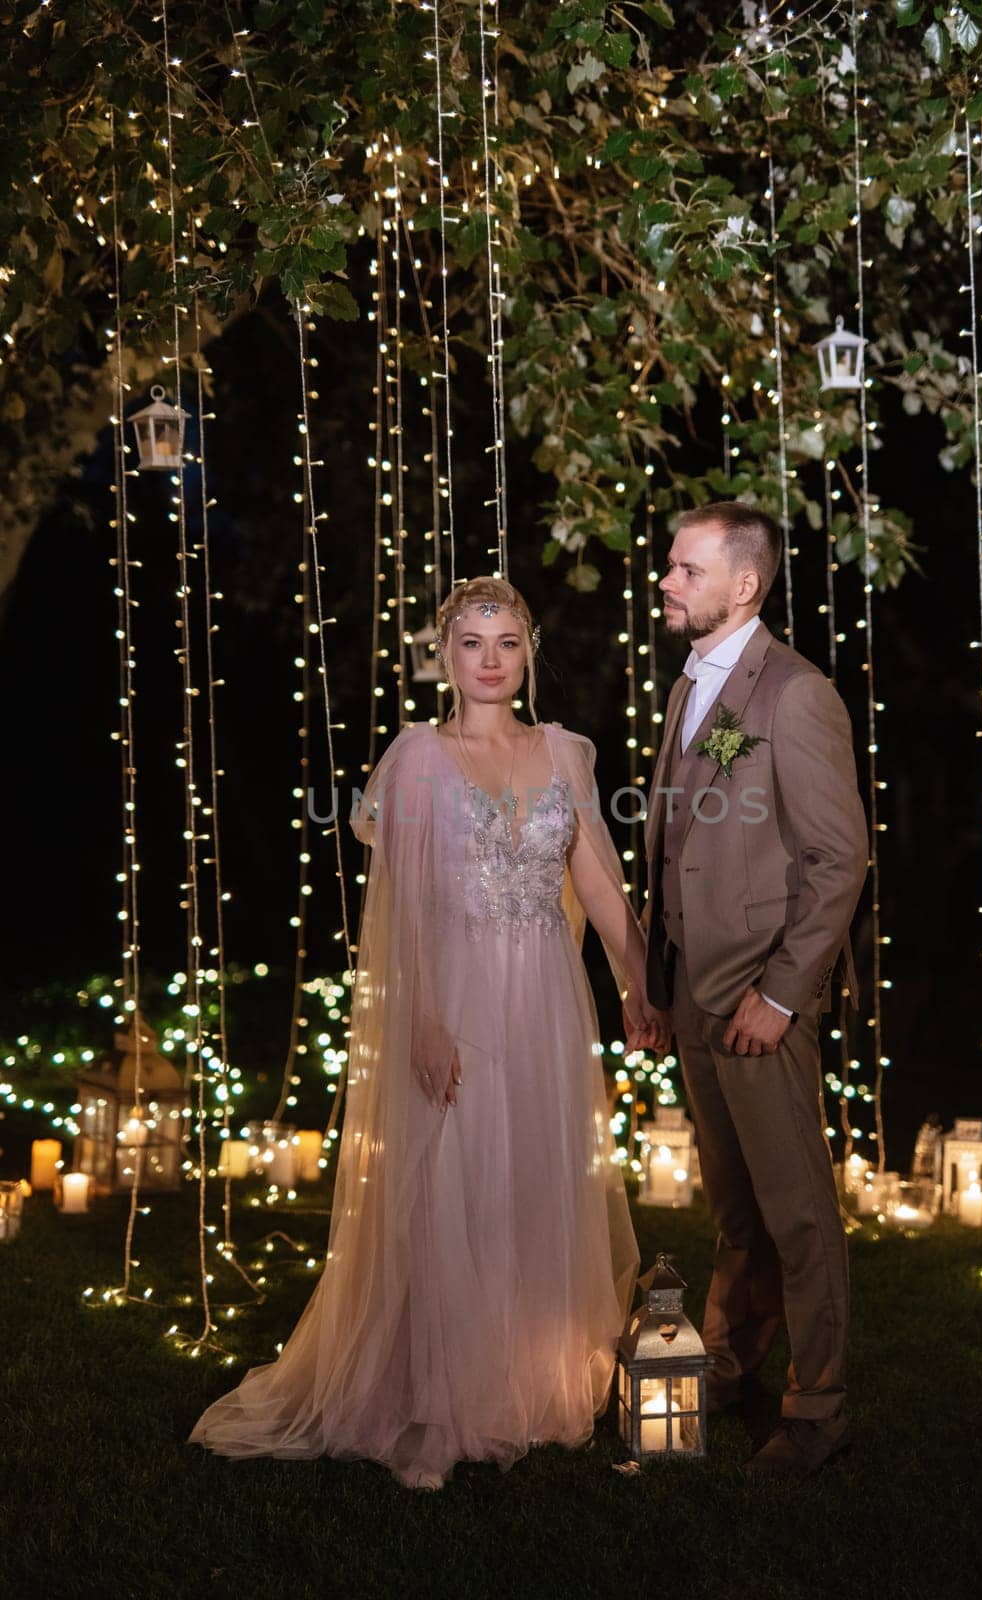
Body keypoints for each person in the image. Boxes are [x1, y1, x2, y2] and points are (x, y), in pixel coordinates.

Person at [189, 576, 666, 1489]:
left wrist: (642, 987)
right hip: (455, 996)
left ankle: (522, 1381)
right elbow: (403, 907)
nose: (490, 662)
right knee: (453, 1187)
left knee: (531, 1178)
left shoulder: (565, 752)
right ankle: (438, 1407)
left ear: (530, 653)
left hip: (545, 1001)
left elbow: (600, 884)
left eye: (508, 644)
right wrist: (425, 1020)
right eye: (472, 644)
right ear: (443, 656)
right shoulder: (417, 759)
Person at [644, 501, 869, 1478]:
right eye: (669, 566)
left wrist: (780, 995)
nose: (666, 580)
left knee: (798, 1211)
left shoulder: (796, 693)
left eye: (686, 569)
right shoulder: (696, 687)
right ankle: (732, 1361)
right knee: (734, 1206)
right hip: (695, 995)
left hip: (760, 1004)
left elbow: (839, 858)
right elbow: (686, 840)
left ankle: (817, 1403)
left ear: (744, 584)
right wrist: (659, 982)